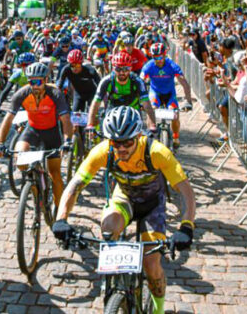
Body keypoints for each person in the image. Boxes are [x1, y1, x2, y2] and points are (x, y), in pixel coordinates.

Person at [52, 106, 196, 314]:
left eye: (127, 142)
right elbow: (75, 185)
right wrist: (61, 218)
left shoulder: (156, 152)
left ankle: (158, 309)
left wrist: (186, 226)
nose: (121, 148)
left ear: (138, 136)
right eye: (116, 142)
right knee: (108, 230)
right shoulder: (104, 151)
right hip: (125, 198)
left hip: (152, 205)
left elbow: (186, 192)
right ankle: (114, 283)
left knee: (151, 263)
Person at [0, 62, 73, 208]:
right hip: (32, 130)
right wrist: (0, 143)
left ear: (45, 80)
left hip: (52, 132)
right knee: (20, 161)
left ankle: (60, 216)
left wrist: (67, 141)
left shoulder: (55, 93)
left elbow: (66, 119)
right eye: (32, 81)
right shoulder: (22, 94)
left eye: (38, 81)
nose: (35, 85)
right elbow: (8, 118)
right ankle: (36, 182)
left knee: (55, 175)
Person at [140, 43, 193, 150]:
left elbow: (184, 83)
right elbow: (140, 81)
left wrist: (188, 101)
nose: (158, 60)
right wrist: (140, 100)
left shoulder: (172, 65)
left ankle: (176, 137)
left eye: (160, 57)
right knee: (151, 111)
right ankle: (151, 134)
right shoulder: (149, 66)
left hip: (169, 94)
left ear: (165, 55)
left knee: (175, 115)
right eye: (155, 57)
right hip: (155, 93)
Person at [88, 52, 156, 133]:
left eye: (125, 69)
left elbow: (147, 105)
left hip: (133, 110)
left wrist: (152, 126)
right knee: (107, 135)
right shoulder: (106, 81)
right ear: (113, 68)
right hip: (113, 109)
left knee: (138, 137)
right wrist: (90, 124)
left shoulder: (137, 81)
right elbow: (95, 103)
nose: (121, 73)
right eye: (118, 69)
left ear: (130, 69)